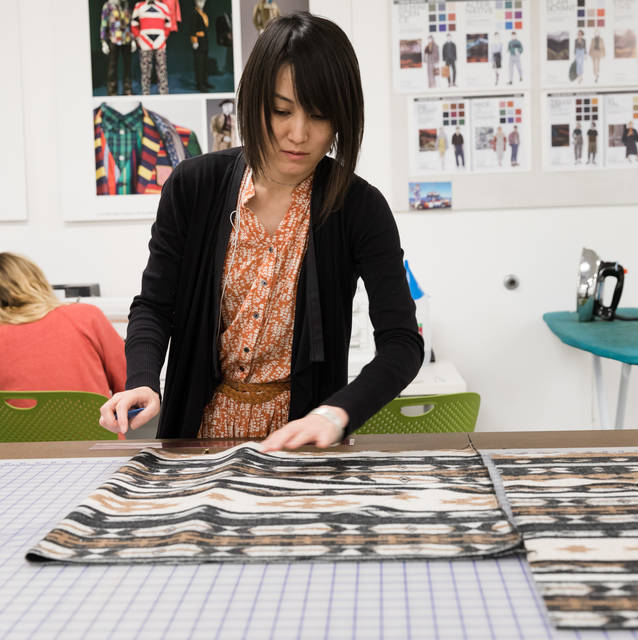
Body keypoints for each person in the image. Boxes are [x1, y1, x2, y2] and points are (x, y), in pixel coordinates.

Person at [99, 13, 424, 451]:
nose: (299, 134)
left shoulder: (359, 207)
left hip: (302, 442)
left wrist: (337, 413)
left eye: (320, 115)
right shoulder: (194, 186)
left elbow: (402, 343)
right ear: (254, 102)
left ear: (343, 117)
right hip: (195, 437)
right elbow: (156, 306)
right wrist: (142, 379)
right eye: (281, 110)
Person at [0, 252, 126, 401]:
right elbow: (130, 387)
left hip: (15, 425)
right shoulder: (85, 317)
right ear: (38, 282)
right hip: (88, 423)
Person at [99, 0, 136, 96]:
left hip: (126, 38)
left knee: (127, 65)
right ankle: (112, 91)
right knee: (112, 66)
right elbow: (104, 23)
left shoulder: (126, 5)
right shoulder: (108, 6)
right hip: (113, 38)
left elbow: (130, 23)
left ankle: (127, 90)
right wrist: (103, 41)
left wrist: (133, 40)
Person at [191, 0, 212, 92]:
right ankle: (200, 84)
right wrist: (194, 41)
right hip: (198, 41)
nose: (201, 4)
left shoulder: (203, 13)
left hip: (205, 41)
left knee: (205, 63)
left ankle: (205, 82)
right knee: (199, 63)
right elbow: (192, 28)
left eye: (203, 2)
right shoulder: (194, 13)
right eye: (199, 2)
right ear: (195, 2)